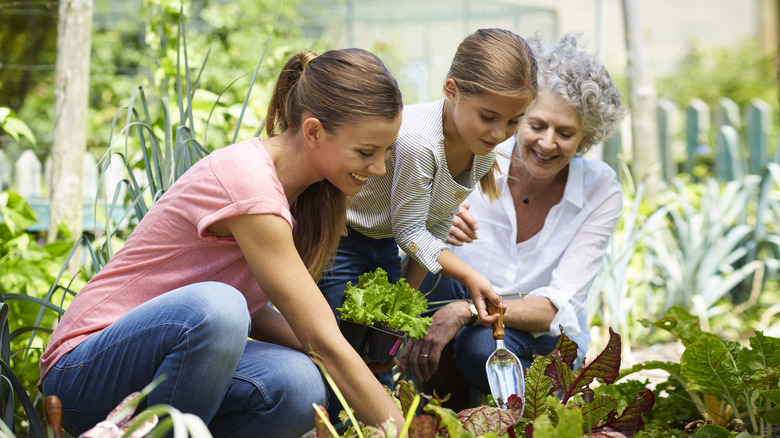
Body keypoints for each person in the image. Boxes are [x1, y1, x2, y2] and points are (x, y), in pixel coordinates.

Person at [39, 48, 406, 438]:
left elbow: (252, 311)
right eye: (366, 152)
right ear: (314, 131)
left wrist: (334, 359)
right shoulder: (250, 184)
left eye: (386, 151)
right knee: (221, 308)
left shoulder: (304, 196)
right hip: (82, 371)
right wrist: (404, 429)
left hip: (167, 362)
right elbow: (311, 336)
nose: (380, 167)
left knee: (299, 386)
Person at [399, 32, 628, 411]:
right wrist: (438, 217)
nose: (548, 143)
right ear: (518, 118)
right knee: (434, 282)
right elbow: (405, 232)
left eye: (566, 133)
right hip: (457, 303)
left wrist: (467, 312)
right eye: (536, 125)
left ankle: (524, 415)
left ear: (586, 136)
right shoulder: (480, 153)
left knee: (480, 347)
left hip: (538, 336)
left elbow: (554, 309)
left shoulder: (599, 189)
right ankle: (437, 409)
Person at [318, 28, 538, 329]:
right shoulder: (421, 143)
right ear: (451, 90)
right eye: (488, 117)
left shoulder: (483, 150)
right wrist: (469, 274)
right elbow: (410, 233)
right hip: (341, 239)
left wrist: (404, 298)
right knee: (340, 342)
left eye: (514, 121)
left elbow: (434, 227)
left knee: (381, 343)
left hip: (383, 245)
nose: (500, 134)